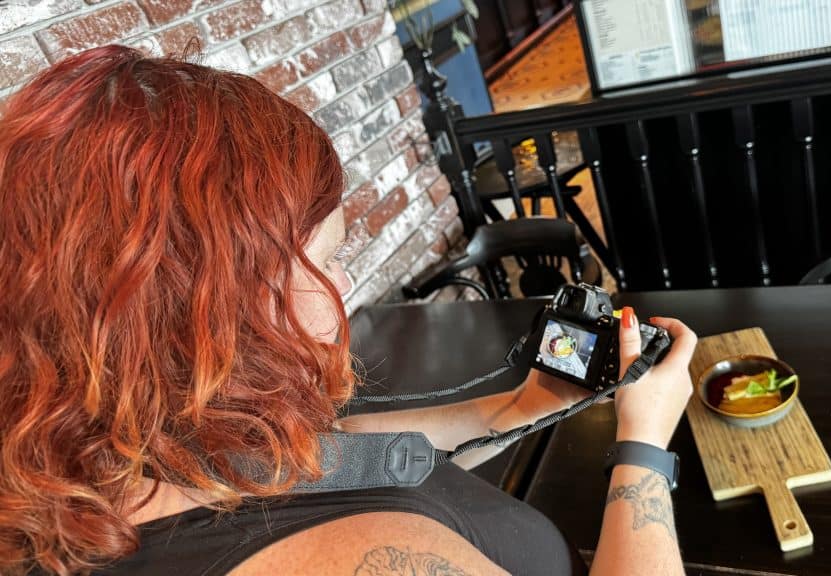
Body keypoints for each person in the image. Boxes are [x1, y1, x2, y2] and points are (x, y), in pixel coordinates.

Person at [0, 46, 698, 576]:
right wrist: (644, 443)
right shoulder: (361, 560)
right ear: (209, 308)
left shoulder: (141, 452)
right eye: (327, 258)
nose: (343, 281)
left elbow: (334, 457)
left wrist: (525, 405)